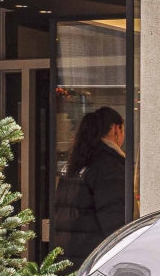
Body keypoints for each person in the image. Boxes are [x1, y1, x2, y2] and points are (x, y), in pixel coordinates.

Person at [51, 107, 129, 266]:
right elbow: (115, 222)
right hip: (93, 260)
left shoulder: (75, 163)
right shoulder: (109, 166)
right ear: (116, 129)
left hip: (68, 254)